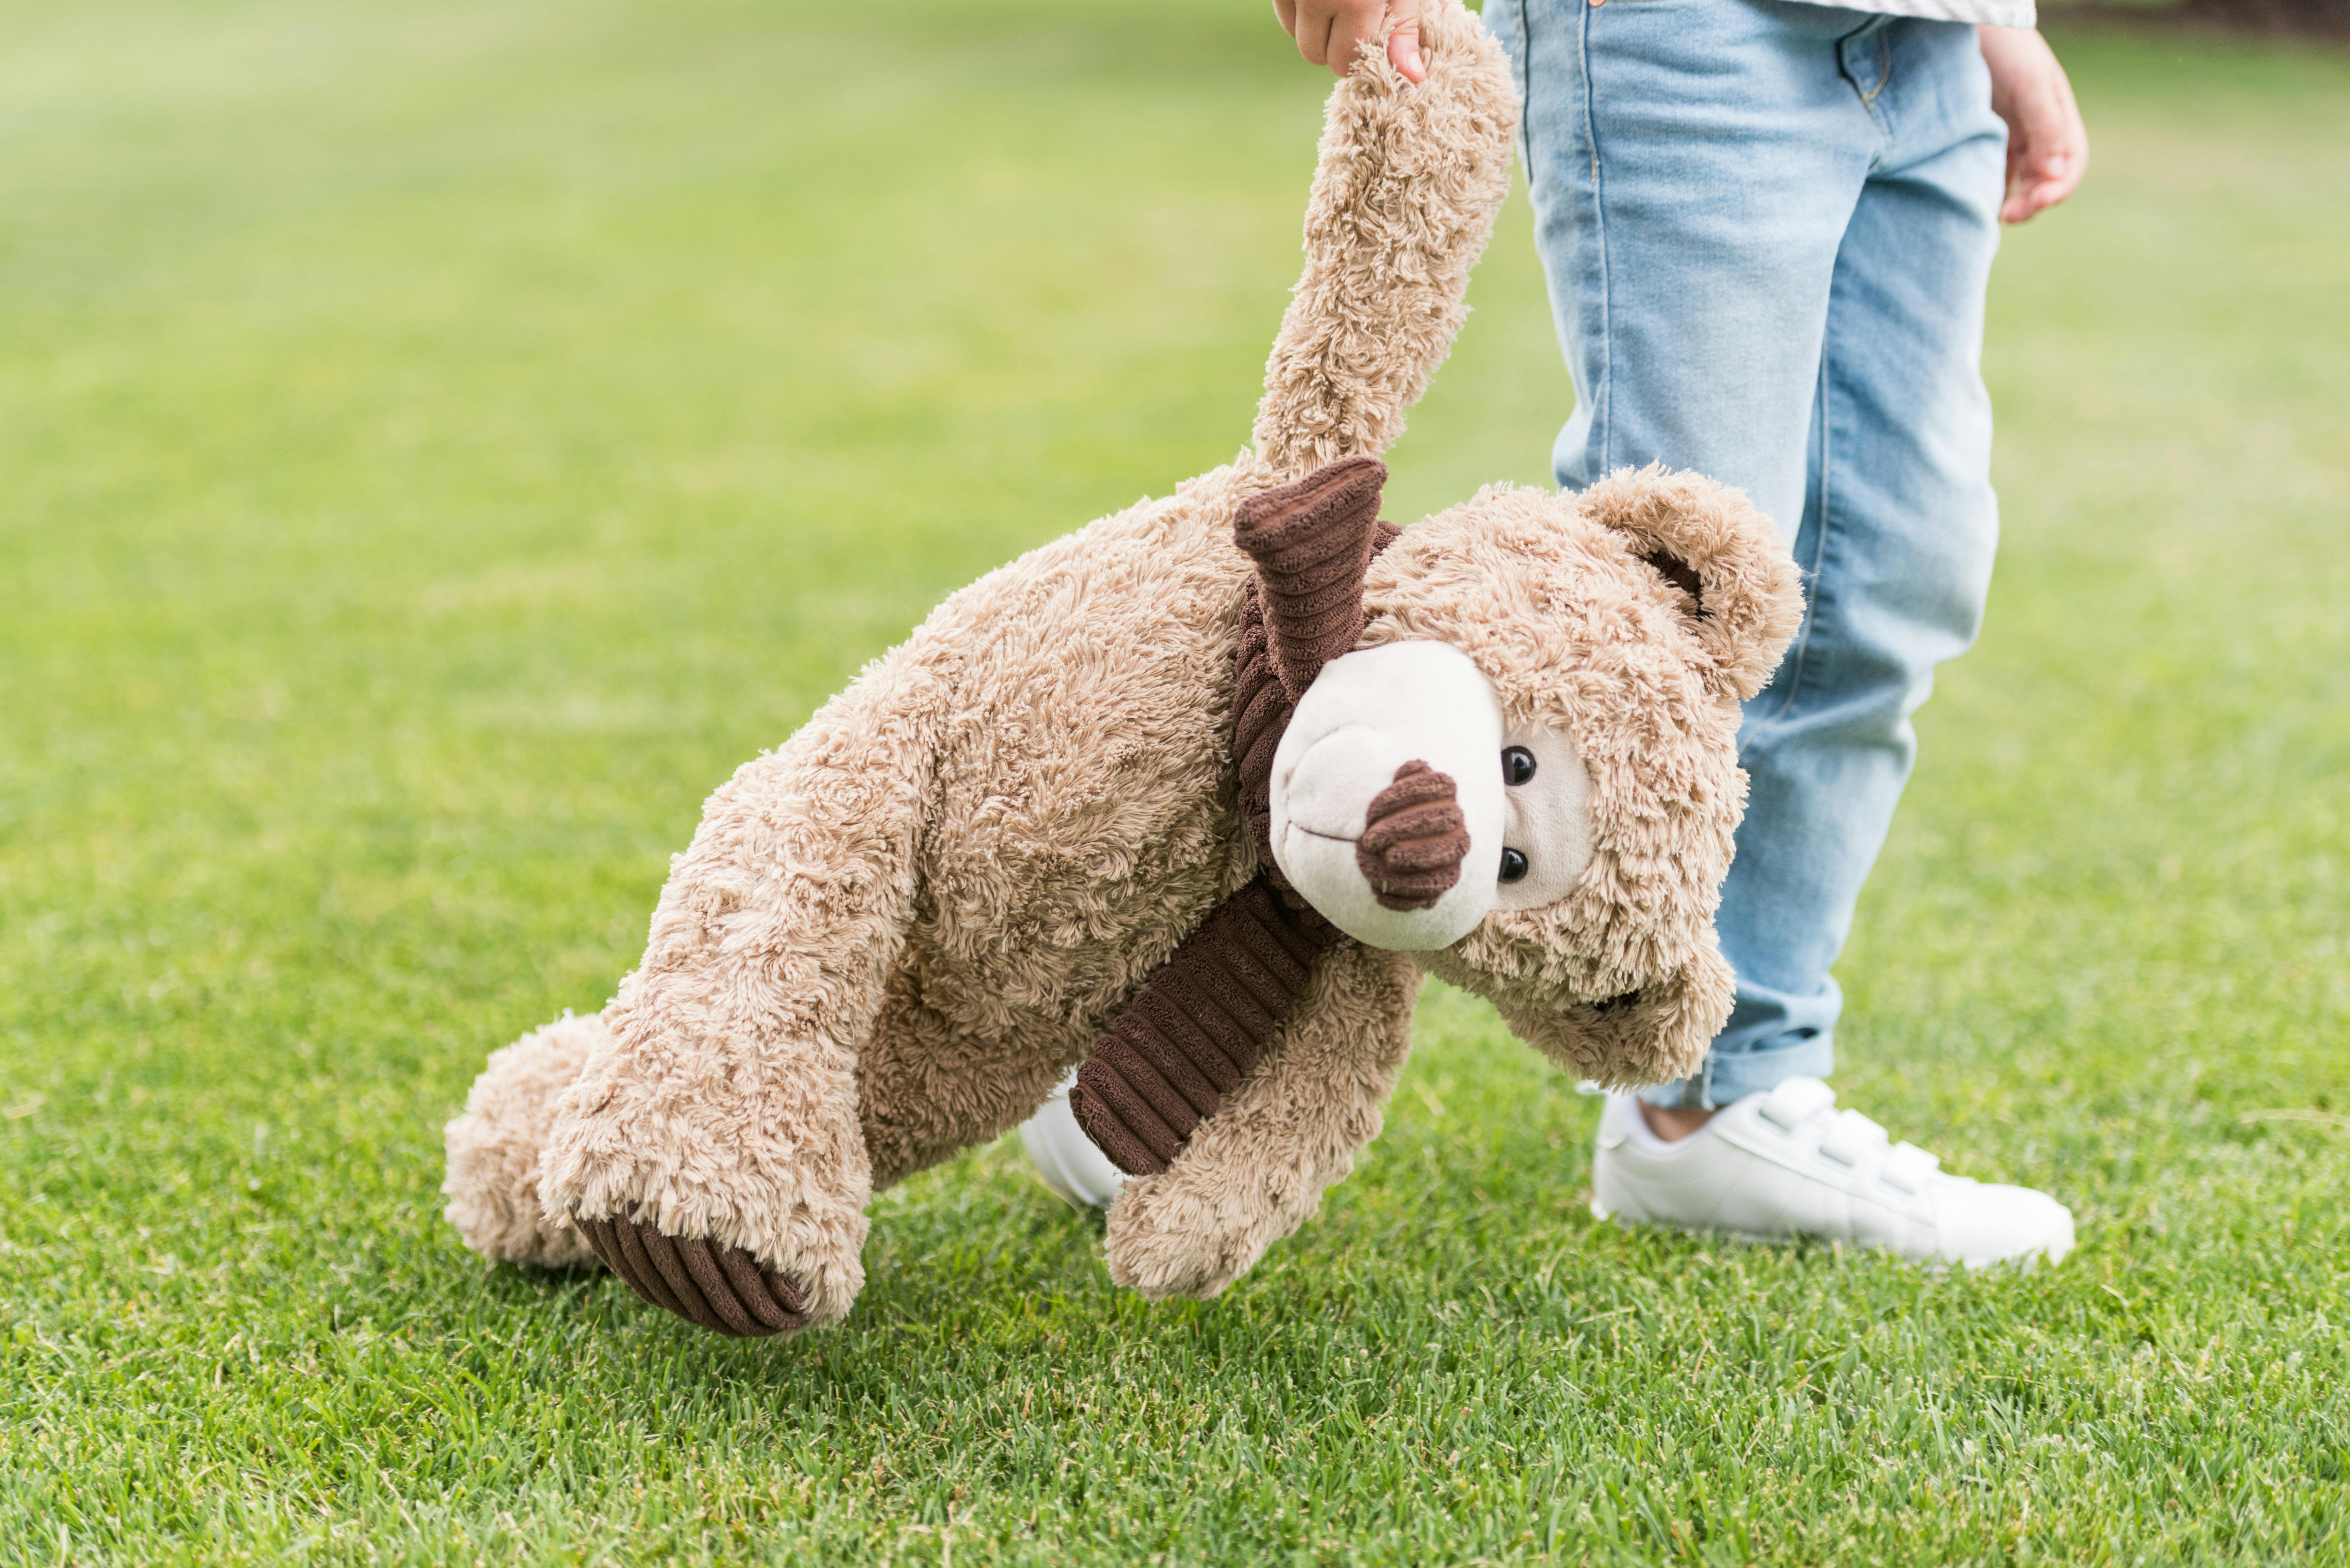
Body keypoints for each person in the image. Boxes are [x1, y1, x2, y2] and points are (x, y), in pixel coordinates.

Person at [1257, 0, 2088, 1265]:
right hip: (1685, 31)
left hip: (1930, 43)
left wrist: (1996, 20)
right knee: (1642, 620)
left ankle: (1713, 1096)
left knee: (1881, 584)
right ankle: (1192, 1026)